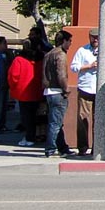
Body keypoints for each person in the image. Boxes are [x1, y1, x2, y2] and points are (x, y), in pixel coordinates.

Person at [41, 29, 72, 157]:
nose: (70, 44)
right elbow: (61, 74)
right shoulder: (60, 54)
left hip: (48, 91)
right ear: (63, 41)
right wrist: (66, 89)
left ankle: (62, 147)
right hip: (57, 91)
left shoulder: (48, 54)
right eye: (69, 41)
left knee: (56, 121)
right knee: (55, 123)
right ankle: (51, 149)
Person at [7, 40, 43, 148]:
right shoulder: (41, 59)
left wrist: (13, 88)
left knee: (26, 117)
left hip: (23, 92)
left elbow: (13, 76)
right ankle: (35, 135)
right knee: (35, 116)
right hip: (37, 92)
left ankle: (29, 137)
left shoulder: (19, 60)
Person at [69, 29, 99, 156]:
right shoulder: (82, 51)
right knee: (83, 118)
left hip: (99, 90)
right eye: (93, 37)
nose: (95, 40)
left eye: (97, 37)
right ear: (89, 37)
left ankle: (96, 147)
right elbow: (73, 67)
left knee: (98, 120)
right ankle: (82, 147)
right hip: (85, 88)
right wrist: (88, 66)